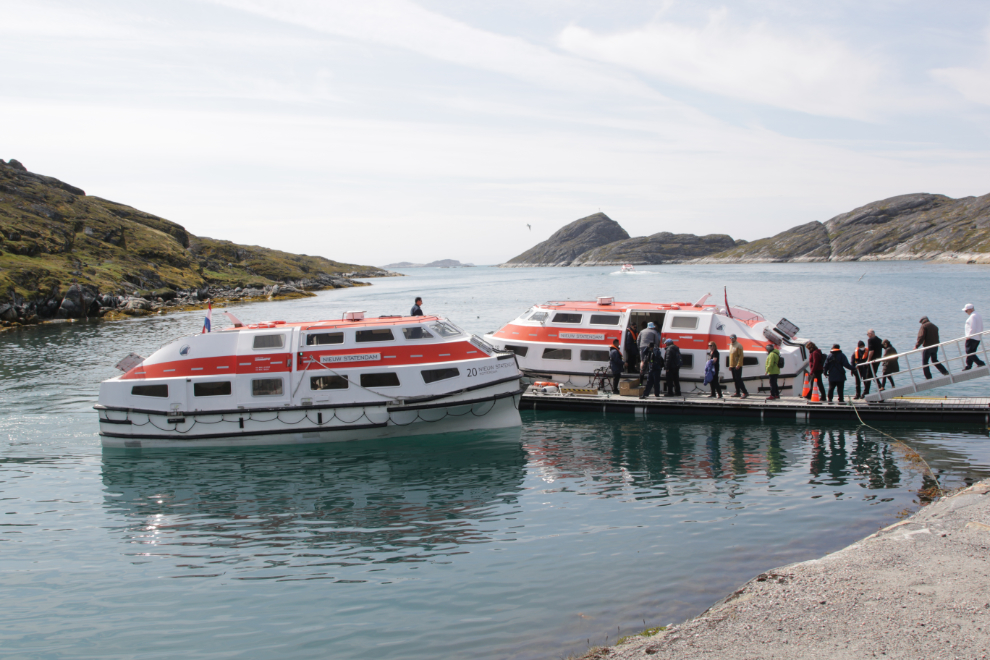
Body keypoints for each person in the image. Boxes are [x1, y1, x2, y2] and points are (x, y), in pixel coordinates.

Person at [963, 304, 987, 370]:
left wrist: (968, 336)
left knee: (969, 352)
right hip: (977, 337)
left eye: (966, 311)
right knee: (971, 352)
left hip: (972, 337)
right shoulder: (978, 315)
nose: (966, 312)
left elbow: (973, 328)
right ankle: (968, 366)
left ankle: (980, 363)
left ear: (970, 310)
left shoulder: (973, 316)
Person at [861, 329, 883, 396]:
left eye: (868, 334)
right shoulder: (879, 340)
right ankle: (880, 386)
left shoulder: (870, 340)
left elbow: (871, 351)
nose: (868, 336)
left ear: (870, 334)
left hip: (873, 360)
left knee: (869, 375)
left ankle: (866, 391)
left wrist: (868, 360)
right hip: (878, 360)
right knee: (873, 374)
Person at [728, 334, 748, 398]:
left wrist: (738, 364)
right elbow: (731, 356)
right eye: (730, 338)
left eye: (732, 337)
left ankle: (745, 392)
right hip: (733, 365)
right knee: (735, 379)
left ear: (735, 338)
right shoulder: (730, 345)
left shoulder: (739, 345)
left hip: (737, 366)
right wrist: (730, 365)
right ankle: (737, 392)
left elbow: (741, 356)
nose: (731, 339)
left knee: (738, 379)